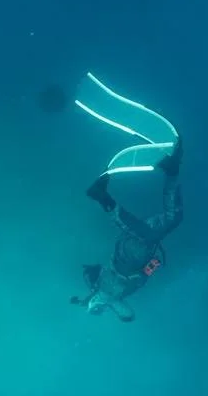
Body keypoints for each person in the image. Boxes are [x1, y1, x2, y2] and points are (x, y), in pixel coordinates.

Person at [71, 137, 183, 321]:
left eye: (97, 306)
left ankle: (102, 197)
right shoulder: (114, 296)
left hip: (129, 255)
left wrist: (89, 301)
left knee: (147, 234)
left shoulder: (105, 293)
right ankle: (172, 170)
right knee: (173, 218)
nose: (101, 306)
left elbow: (125, 313)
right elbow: (128, 313)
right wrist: (151, 267)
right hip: (142, 254)